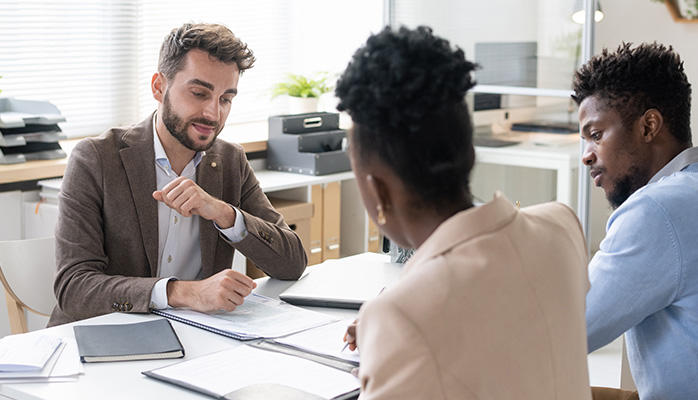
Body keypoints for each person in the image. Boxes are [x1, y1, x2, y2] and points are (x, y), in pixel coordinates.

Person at [336, 26, 592, 399]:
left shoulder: (400, 316)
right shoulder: (561, 227)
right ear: (469, 153)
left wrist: (398, 326)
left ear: (377, 190)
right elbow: (505, 320)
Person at [50, 23, 307, 326]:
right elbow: (74, 288)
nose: (213, 113)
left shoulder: (230, 160)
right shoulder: (96, 158)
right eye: (199, 93)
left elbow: (292, 263)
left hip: (194, 337)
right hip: (104, 336)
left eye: (226, 99)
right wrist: (183, 293)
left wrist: (224, 213)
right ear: (159, 86)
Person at [573, 42, 698, 399]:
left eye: (596, 135)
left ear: (649, 126)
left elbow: (566, 332)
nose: (586, 156)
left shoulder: (657, 211)